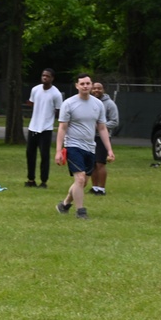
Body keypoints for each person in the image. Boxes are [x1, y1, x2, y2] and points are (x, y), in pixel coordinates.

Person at [54, 73, 114, 220]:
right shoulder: (68, 103)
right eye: (82, 84)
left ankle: (64, 204)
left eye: (88, 83)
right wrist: (58, 151)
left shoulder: (98, 104)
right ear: (77, 86)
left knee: (83, 182)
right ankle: (81, 211)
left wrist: (109, 149)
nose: (85, 86)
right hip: (73, 145)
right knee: (80, 179)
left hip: (90, 147)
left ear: (91, 85)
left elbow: (102, 128)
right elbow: (62, 128)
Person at [24, 68, 63, 188]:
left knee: (44, 155)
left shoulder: (56, 94)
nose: (45, 77)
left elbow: (59, 111)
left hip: (46, 129)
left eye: (48, 76)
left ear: (52, 78)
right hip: (33, 127)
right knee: (30, 154)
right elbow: (32, 103)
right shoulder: (35, 90)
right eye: (43, 75)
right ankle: (31, 179)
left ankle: (44, 181)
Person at [89, 81, 119, 195]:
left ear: (103, 90)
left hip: (103, 137)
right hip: (90, 137)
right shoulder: (90, 102)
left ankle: (102, 189)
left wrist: (100, 127)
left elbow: (115, 122)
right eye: (94, 88)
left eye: (99, 88)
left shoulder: (110, 104)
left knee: (100, 163)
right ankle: (94, 187)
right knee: (92, 163)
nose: (96, 90)